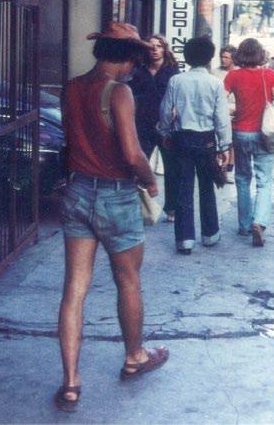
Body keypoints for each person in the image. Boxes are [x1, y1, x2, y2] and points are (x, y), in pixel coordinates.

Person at [56, 22, 169, 413]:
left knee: (74, 289)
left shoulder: (71, 87)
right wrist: (150, 182)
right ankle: (135, 356)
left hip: (77, 191)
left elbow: (73, 138)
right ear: (131, 58)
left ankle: (71, 382)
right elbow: (132, 152)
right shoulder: (119, 92)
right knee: (128, 280)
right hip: (116, 196)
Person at [159, 37, 231, 255]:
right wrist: (224, 146)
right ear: (210, 57)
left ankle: (184, 239)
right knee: (207, 187)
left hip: (182, 139)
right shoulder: (215, 83)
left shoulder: (176, 81)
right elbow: (222, 118)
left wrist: (165, 132)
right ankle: (210, 234)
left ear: (187, 57)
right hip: (207, 141)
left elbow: (165, 111)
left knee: (184, 188)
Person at [224, 38, 274, 248]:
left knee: (242, 178)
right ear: (260, 54)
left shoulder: (233, 75)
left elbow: (221, 101)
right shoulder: (270, 75)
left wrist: (234, 111)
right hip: (263, 134)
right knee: (264, 180)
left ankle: (244, 225)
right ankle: (259, 221)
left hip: (240, 133)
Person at [129, 34, 179, 221]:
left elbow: (178, 98)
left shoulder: (172, 71)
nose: (155, 50)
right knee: (137, 166)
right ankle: (137, 206)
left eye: (159, 46)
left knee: (171, 168)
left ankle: (172, 208)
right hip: (142, 124)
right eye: (151, 46)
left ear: (164, 49)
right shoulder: (138, 70)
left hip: (166, 127)